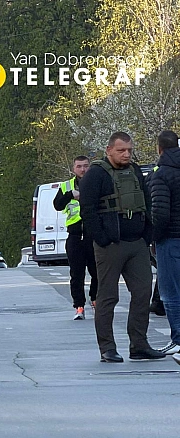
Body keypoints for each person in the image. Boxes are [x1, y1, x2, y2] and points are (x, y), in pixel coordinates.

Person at [79, 131, 165, 363]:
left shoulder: (135, 170)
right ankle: (107, 348)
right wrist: (102, 238)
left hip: (137, 243)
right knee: (108, 296)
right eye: (121, 150)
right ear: (109, 150)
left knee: (143, 293)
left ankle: (139, 345)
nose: (126, 154)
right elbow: (87, 210)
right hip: (110, 245)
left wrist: (147, 234)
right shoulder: (96, 174)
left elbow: (147, 201)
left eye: (129, 150)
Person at [53, 155, 98, 320]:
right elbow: (57, 205)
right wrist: (70, 195)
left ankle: (95, 300)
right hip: (75, 235)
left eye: (85, 166)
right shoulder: (67, 186)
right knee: (76, 274)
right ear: (74, 169)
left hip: (93, 235)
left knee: (97, 272)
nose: (83, 169)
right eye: (79, 166)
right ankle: (79, 306)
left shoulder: (96, 183)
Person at [150, 130, 180, 362]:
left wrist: (153, 238)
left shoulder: (161, 174)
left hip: (170, 238)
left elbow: (160, 212)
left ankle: (178, 339)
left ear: (159, 148)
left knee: (170, 292)